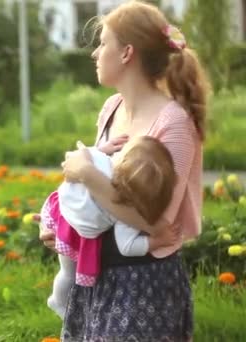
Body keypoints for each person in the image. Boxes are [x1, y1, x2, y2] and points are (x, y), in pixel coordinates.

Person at [40, 1, 209, 340]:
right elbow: (105, 193)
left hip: (141, 284)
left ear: (127, 53)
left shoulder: (173, 123)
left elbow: (153, 222)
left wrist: (85, 173)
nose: (95, 53)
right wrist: (65, 225)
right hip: (95, 275)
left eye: (103, 43)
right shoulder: (112, 107)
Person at [40, 136, 178, 319]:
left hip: (56, 209)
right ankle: (58, 301)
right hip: (71, 229)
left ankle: (60, 300)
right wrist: (158, 240)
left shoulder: (102, 165)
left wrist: (101, 150)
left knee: (66, 273)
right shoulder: (123, 211)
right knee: (68, 274)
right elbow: (127, 247)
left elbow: (77, 156)